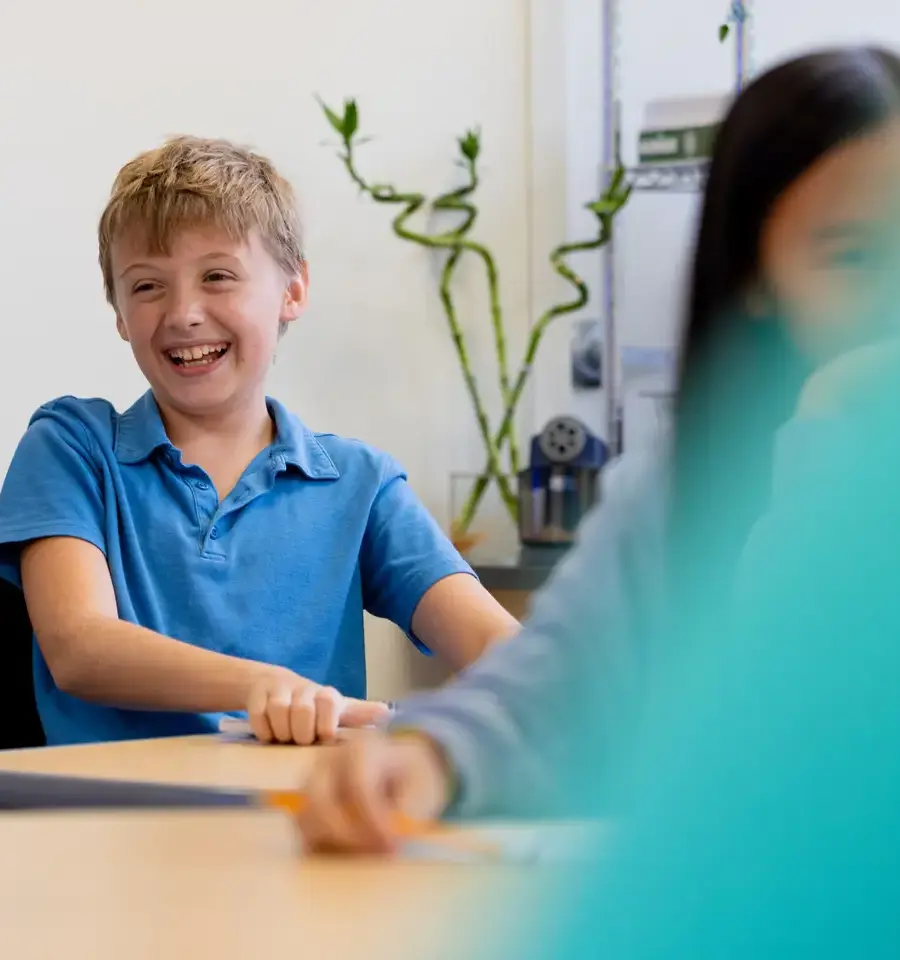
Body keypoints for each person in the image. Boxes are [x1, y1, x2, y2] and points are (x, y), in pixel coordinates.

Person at [296, 45, 900, 854]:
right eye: (857, 257)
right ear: (754, 275)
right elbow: (554, 697)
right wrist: (428, 757)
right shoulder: (687, 485)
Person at [0, 136, 519, 747]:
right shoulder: (71, 447)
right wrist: (268, 687)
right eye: (146, 286)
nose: (184, 313)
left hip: (301, 818)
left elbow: (504, 653)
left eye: (217, 276)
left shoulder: (361, 483)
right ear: (118, 312)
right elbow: (81, 647)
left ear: (293, 291)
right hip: (108, 819)